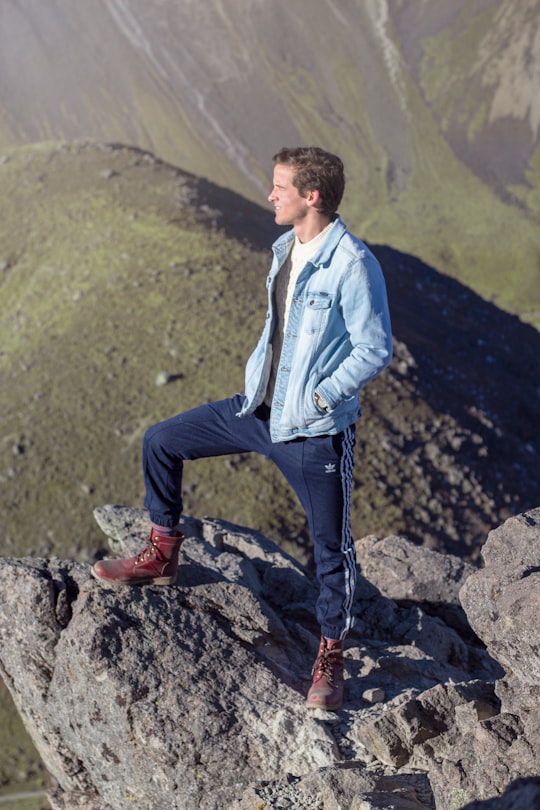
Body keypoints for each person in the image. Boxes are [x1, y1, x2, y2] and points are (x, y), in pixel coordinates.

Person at [92, 146, 392, 711]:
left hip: (314, 430)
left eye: (281, 187)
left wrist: (321, 395)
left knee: (331, 550)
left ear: (313, 196)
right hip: (258, 410)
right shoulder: (286, 249)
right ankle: (162, 551)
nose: (270, 195)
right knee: (161, 441)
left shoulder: (353, 263)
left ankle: (331, 656)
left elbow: (375, 348)